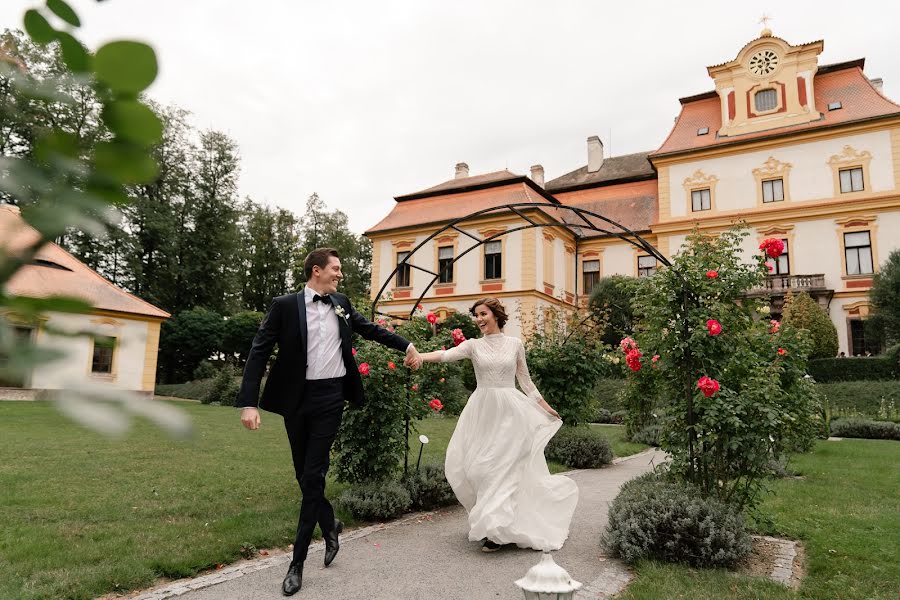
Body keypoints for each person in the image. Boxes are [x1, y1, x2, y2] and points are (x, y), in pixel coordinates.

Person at [237, 248, 421, 596]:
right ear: (316, 270)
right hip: (296, 399)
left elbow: (368, 330)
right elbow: (259, 349)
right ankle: (330, 523)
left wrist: (406, 344)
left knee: (314, 474)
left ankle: (297, 565)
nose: (340, 274)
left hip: (330, 398)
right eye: (335, 269)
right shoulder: (285, 305)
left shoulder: (341, 302)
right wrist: (248, 402)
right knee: (303, 477)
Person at [412, 297, 578, 552]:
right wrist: (419, 356)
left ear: (496, 315)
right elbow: (446, 355)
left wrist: (544, 407)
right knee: (479, 468)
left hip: (511, 412)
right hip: (482, 411)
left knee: (503, 469)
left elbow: (526, 381)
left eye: (483, 314)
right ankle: (493, 522)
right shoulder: (473, 346)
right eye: (476, 315)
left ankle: (494, 531)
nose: (478, 319)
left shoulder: (515, 344)